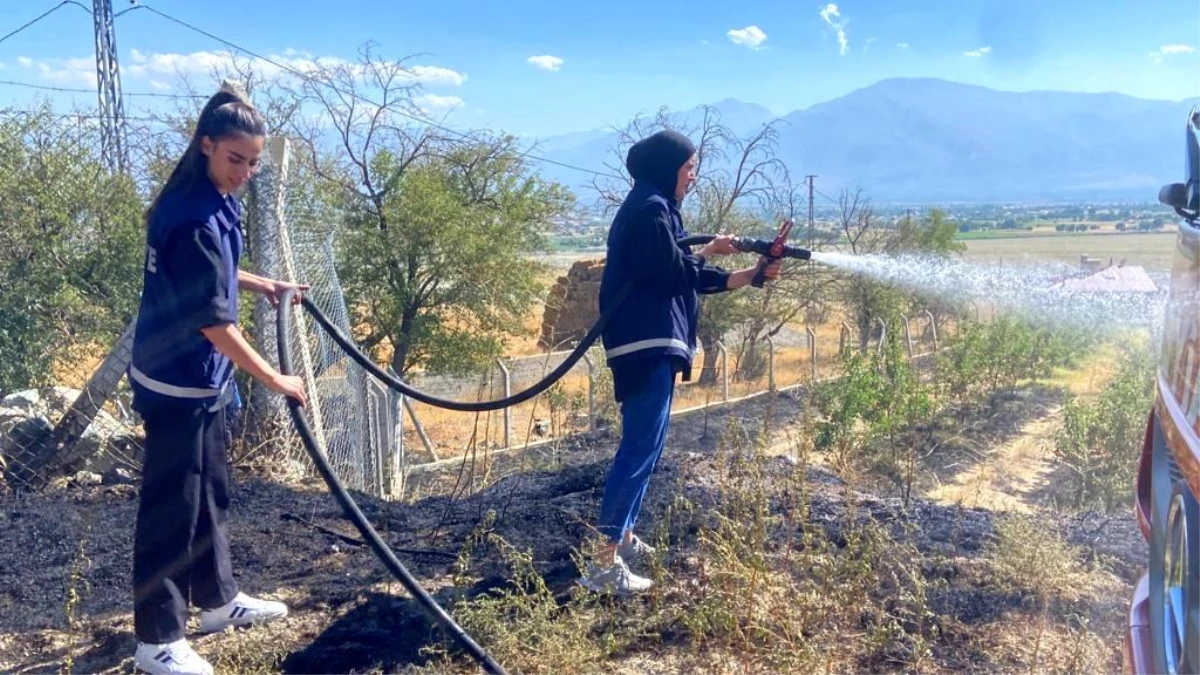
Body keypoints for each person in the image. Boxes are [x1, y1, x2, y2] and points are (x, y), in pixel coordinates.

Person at [127, 81, 309, 675]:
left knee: (209, 493)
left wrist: (267, 285)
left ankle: (218, 600)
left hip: (202, 383)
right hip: (177, 381)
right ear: (205, 145)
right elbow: (215, 324)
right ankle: (157, 641)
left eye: (254, 162)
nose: (245, 172)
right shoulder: (191, 217)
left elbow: (221, 273)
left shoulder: (212, 196)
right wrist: (275, 380)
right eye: (237, 159)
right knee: (170, 509)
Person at [580, 129, 782, 594]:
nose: (692, 177)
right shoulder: (650, 210)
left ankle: (624, 536)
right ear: (666, 169)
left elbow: (682, 275)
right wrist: (708, 251)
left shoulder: (657, 210)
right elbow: (670, 272)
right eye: (689, 168)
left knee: (647, 449)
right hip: (644, 344)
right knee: (637, 449)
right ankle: (602, 565)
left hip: (653, 344)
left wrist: (750, 274)